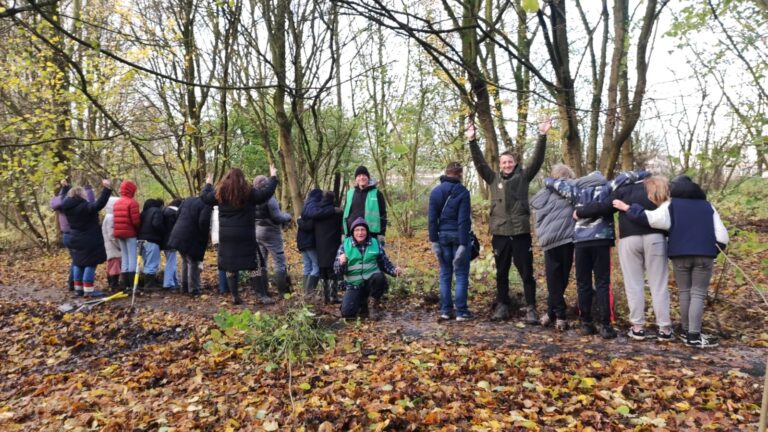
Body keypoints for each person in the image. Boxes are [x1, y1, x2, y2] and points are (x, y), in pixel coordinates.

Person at [614, 175, 728, 348]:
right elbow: (722, 236)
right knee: (697, 293)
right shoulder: (708, 206)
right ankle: (693, 335)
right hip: (704, 256)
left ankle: (684, 330)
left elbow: (652, 219)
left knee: (684, 292)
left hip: (680, 255)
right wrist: (711, 251)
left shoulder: (671, 205)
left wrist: (630, 208)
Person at [544, 170, 648, 339]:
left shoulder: (575, 191)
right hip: (602, 240)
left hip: (580, 242)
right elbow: (627, 177)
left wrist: (548, 179)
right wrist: (645, 172)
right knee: (602, 282)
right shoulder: (608, 187)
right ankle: (606, 325)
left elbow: (554, 183)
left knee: (583, 283)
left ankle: (586, 323)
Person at [466, 117, 550, 322]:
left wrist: (542, 136)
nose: (506, 165)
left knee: (527, 274)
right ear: (500, 165)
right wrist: (472, 141)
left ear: (515, 164)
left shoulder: (523, 176)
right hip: (500, 234)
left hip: (520, 233)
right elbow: (479, 164)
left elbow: (537, 160)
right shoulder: (493, 178)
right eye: (504, 162)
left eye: (510, 162)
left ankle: (531, 308)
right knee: (501, 273)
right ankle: (502, 306)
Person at [201, 166, 278, 305]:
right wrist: (273, 177)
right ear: (242, 178)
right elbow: (265, 194)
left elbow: (205, 198)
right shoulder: (248, 192)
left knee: (231, 266)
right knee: (255, 265)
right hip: (245, 236)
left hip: (227, 237)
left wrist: (208, 183)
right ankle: (261, 295)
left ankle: (235, 296)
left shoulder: (220, 193)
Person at [610, 174, 673, 341]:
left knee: (633, 284)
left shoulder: (622, 189)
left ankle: (637, 328)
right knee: (659, 284)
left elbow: (606, 204)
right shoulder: (660, 187)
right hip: (656, 238)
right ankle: (665, 329)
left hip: (629, 239)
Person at [530, 164, 576, 330]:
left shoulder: (544, 192)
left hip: (549, 240)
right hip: (567, 239)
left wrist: (541, 235)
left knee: (553, 280)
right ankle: (561, 316)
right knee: (561, 279)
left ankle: (551, 313)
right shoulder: (573, 190)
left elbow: (537, 213)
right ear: (569, 176)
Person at [428, 161, 474, 321]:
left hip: (443, 237)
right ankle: (461, 312)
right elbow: (463, 220)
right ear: (460, 174)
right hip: (459, 236)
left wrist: (434, 241)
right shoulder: (463, 192)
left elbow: (432, 220)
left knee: (445, 274)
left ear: (445, 172)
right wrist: (463, 244)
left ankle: (446, 311)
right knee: (461, 274)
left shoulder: (435, 192)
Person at [335, 217, 403, 318]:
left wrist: (394, 271)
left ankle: (373, 303)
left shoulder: (375, 243)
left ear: (367, 231)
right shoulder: (345, 245)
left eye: (363, 230)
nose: (360, 233)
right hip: (354, 285)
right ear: (353, 232)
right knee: (347, 313)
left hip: (370, 284)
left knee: (379, 277)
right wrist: (341, 263)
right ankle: (361, 302)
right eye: (357, 230)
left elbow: (384, 263)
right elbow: (337, 271)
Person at [59, 179, 112, 297]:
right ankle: (88, 289)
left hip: (75, 237)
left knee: (78, 262)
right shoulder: (85, 207)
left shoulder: (66, 206)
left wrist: (65, 187)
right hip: (89, 238)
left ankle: (79, 288)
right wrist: (106, 189)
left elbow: (62, 198)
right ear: (80, 195)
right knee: (90, 263)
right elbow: (99, 204)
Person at [254, 175, 292, 297]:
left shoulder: (254, 198)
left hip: (258, 232)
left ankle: (263, 291)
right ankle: (282, 293)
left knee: (261, 263)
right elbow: (277, 217)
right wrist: (288, 216)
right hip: (271, 233)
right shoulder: (270, 199)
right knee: (279, 262)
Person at [297, 188, 338, 299]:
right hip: (309, 242)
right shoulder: (314, 209)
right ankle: (309, 293)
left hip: (302, 241)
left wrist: (299, 221)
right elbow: (310, 225)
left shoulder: (307, 206)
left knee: (307, 266)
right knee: (316, 266)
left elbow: (304, 223)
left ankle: (306, 293)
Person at [167, 195, 212, 296]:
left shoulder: (188, 199)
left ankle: (184, 287)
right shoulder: (206, 204)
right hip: (190, 236)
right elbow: (203, 222)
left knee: (185, 261)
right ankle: (194, 289)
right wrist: (204, 235)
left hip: (178, 234)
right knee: (193, 262)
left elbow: (177, 213)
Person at [343, 165, 387, 243]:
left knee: (372, 255)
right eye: (359, 176)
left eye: (364, 175)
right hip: (351, 234)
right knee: (352, 255)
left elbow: (383, 214)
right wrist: (343, 232)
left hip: (372, 234)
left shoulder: (377, 193)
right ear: (356, 179)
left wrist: (382, 234)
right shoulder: (350, 193)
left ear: (368, 178)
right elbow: (345, 215)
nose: (361, 177)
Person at [315, 191, 344, 304]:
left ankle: (324, 297)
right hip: (333, 244)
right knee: (333, 271)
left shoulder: (317, 212)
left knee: (323, 271)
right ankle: (333, 296)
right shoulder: (337, 212)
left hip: (320, 245)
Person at [113, 180, 141, 292]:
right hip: (130, 233)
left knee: (124, 258)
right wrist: (138, 230)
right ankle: (133, 285)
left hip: (119, 233)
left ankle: (125, 285)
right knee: (132, 258)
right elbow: (136, 222)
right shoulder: (132, 203)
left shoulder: (117, 203)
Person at [51, 182, 76, 292]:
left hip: (66, 235)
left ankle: (73, 283)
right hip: (72, 235)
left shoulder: (60, 207)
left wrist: (65, 187)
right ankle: (72, 283)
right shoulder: (68, 206)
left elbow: (62, 196)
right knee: (77, 261)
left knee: (75, 260)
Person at [138, 198, 165, 290]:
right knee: (152, 263)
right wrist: (163, 233)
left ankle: (147, 283)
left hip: (140, 241)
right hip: (152, 240)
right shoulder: (157, 211)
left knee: (146, 262)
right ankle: (149, 285)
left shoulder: (143, 213)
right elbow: (157, 224)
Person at [101, 196, 122, 292]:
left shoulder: (107, 216)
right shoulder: (111, 217)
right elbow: (112, 234)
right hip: (112, 245)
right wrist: (119, 245)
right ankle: (114, 285)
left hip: (109, 245)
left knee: (111, 265)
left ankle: (111, 283)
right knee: (115, 265)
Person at [161, 199, 182, 290]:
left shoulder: (164, 211)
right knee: (171, 263)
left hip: (164, 242)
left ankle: (174, 282)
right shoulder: (174, 214)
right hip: (171, 242)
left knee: (171, 261)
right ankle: (168, 283)